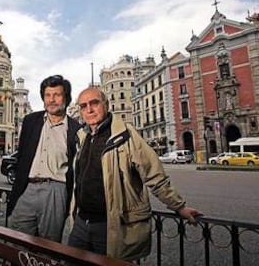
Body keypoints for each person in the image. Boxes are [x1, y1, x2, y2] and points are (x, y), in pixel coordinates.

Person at [67, 87, 202, 261]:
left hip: (110, 226)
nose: (89, 110)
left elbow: (154, 175)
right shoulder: (82, 137)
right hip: (81, 223)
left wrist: (179, 206)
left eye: (94, 103)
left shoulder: (126, 135)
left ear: (106, 105)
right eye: (84, 106)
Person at [6, 75, 81, 242]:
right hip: (27, 188)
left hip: (56, 190)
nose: (52, 100)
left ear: (66, 98)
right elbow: (23, 154)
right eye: (47, 95)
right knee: (16, 241)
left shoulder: (76, 130)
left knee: (48, 244)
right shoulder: (30, 121)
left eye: (57, 95)